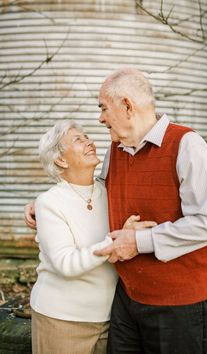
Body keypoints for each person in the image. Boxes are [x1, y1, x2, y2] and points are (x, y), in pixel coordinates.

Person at [25, 68, 207, 354]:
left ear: (126, 106)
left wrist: (139, 241)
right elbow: (93, 187)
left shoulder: (186, 144)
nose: (100, 118)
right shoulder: (115, 151)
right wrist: (46, 202)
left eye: (103, 108)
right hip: (126, 302)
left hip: (180, 305)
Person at [29, 119, 156, 354]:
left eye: (87, 136)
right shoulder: (49, 203)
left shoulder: (110, 192)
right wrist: (117, 241)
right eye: (78, 139)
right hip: (61, 320)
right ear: (60, 160)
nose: (90, 142)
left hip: (110, 319)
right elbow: (66, 263)